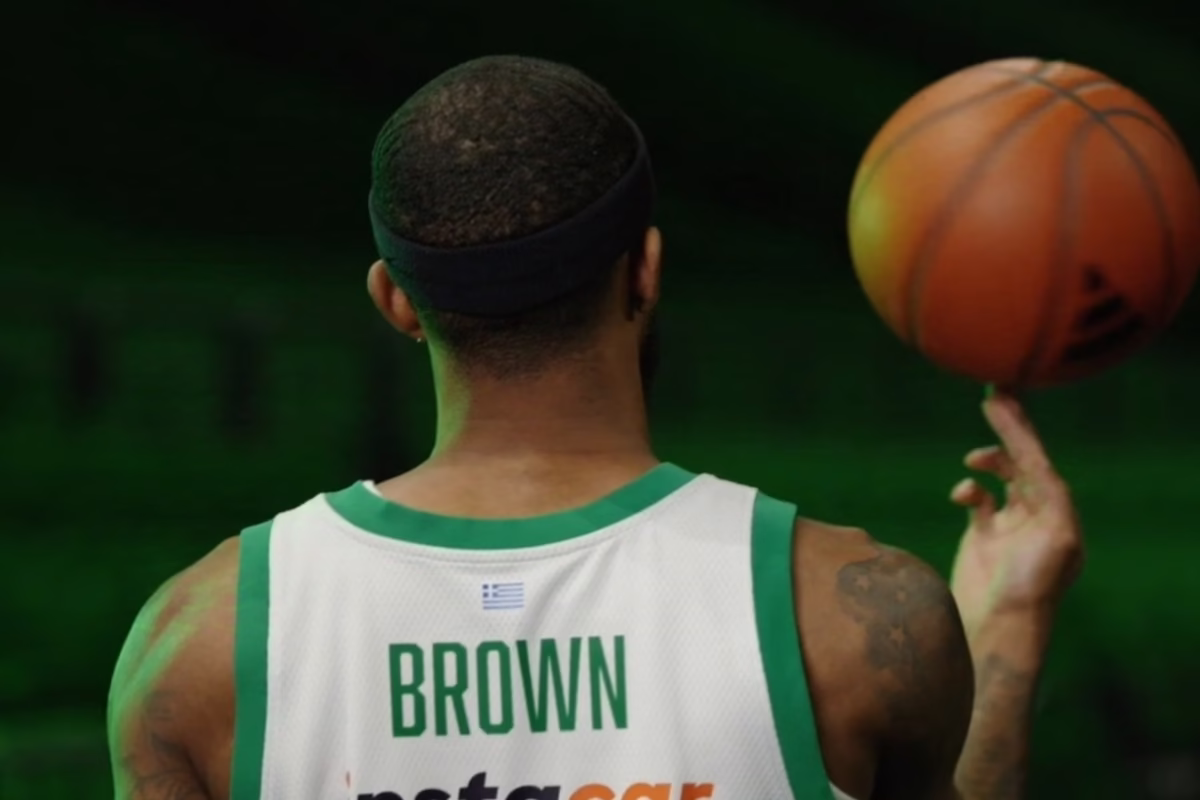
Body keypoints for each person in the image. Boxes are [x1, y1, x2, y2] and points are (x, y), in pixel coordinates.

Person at [107, 55, 1084, 800]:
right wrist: (1007, 622)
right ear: (646, 268)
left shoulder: (196, 643)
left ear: (394, 301)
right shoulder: (852, 618)